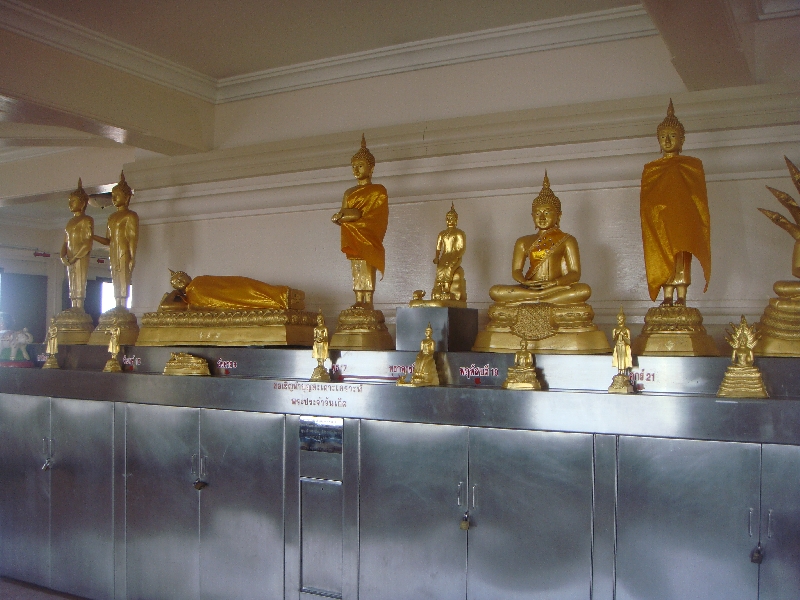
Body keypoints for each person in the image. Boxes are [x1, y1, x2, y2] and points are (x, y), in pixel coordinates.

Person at [640, 100, 711, 306]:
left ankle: (681, 297)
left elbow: (698, 200)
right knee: (663, 258)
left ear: (682, 139)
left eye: (672, 136)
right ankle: (667, 297)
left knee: (681, 260)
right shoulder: (652, 170)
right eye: (663, 137)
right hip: (661, 223)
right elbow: (647, 203)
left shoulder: (691, 166)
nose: (668, 141)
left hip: (682, 224)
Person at [489, 173, 591, 305]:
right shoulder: (523, 241)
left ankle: (537, 299)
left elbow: (575, 273)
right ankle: (540, 297)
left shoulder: (567, 240)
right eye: (537, 213)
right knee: (495, 291)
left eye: (547, 212)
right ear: (532, 216)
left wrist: (554, 283)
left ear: (558, 215)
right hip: (530, 289)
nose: (542, 218)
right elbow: (516, 271)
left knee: (584, 290)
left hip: (555, 288)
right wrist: (525, 282)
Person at [331, 135, 389, 309]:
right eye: (353, 166)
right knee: (356, 268)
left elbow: (376, 217)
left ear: (371, 168)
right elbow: (344, 214)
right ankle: (359, 299)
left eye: (360, 166)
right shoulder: (349, 193)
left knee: (367, 265)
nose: (356, 170)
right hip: (352, 237)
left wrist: (351, 217)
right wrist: (341, 218)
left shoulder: (378, 191)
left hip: (368, 237)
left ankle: (368, 301)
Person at [94, 172, 139, 310]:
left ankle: (123, 306)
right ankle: (117, 305)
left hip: (124, 250)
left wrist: (132, 257)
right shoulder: (111, 217)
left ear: (126, 198)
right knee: (115, 278)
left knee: (124, 278)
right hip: (113, 251)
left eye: (117, 195)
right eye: (112, 196)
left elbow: (132, 237)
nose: (113, 199)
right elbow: (108, 241)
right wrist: (92, 236)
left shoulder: (130, 216)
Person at [158, 270, 301, 311]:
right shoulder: (188, 298)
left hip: (231, 286)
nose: (180, 279)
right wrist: (175, 294)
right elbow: (165, 306)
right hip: (227, 298)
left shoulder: (198, 281)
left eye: (181, 275)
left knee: (249, 287)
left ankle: (281, 295)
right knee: (248, 294)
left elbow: (221, 283)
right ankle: (281, 298)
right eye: (176, 282)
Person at [60, 179, 94, 310]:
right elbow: (65, 241)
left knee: (79, 283)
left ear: (83, 203)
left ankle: (78, 308)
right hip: (70, 257)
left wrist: (74, 257)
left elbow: (87, 243)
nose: (70, 204)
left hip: (80, 256)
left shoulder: (86, 220)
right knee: (71, 284)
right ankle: (74, 306)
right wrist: (63, 256)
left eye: (73, 201)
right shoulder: (70, 221)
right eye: (70, 201)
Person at [432, 203, 467, 301]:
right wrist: (437, 257)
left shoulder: (459, 233)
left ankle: (447, 287)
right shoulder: (442, 233)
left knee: (448, 267)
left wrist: (456, 256)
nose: (449, 220)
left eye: (451, 218)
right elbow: (438, 247)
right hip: (444, 255)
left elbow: (461, 248)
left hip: (454, 256)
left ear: (456, 220)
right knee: (440, 268)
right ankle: (439, 287)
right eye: (447, 218)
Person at [611, 308, 632, 374]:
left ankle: (623, 372)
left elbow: (629, 342)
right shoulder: (615, 329)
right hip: (618, 345)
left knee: (623, 358)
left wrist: (624, 336)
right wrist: (617, 334)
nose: (619, 321)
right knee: (618, 358)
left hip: (624, 345)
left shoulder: (626, 330)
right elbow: (613, 339)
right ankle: (619, 371)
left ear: (624, 319)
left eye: (620, 319)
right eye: (618, 319)